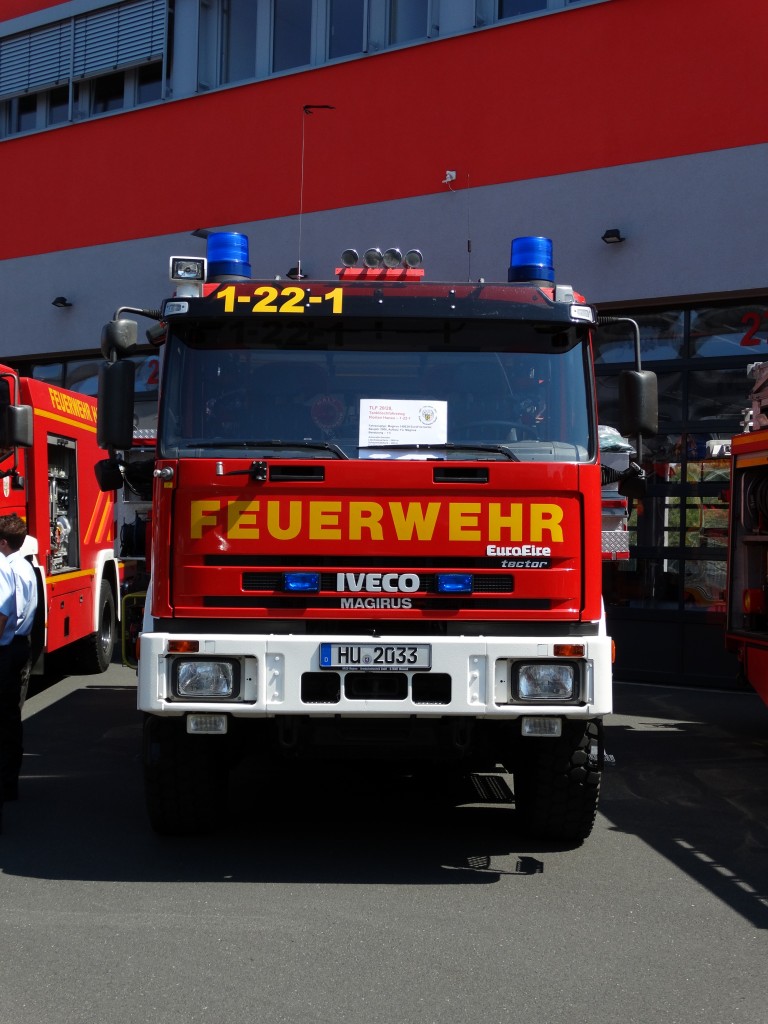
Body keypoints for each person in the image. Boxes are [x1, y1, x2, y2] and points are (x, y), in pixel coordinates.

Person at [0, 514, 38, 826]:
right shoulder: (27, 567)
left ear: (3, 542)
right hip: (20, 645)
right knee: (11, 719)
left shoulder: (6, 569)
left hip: (5, 647)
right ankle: (10, 783)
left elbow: (3, 612)